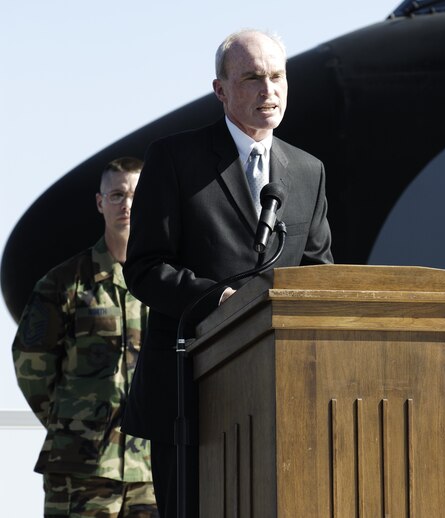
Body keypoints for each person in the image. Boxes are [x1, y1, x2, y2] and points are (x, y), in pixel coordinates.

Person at [121, 29, 333, 517]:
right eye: (253, 78)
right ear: (221, 90)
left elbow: (319, 277)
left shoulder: (307, 171)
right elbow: (145, 268)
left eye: (277, 76)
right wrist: (220, 302)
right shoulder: (175, 158)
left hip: (281, 398)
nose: (269, 91)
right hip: (190, 393)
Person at [12, 157, 158, 517]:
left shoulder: (166, 283)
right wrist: (72, 422)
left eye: (135, 195)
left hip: (151, 470)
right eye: (117, 195)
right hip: (81, 466)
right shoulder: (64, 283)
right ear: (100, 202)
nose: (126, 205)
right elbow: (32, 365)